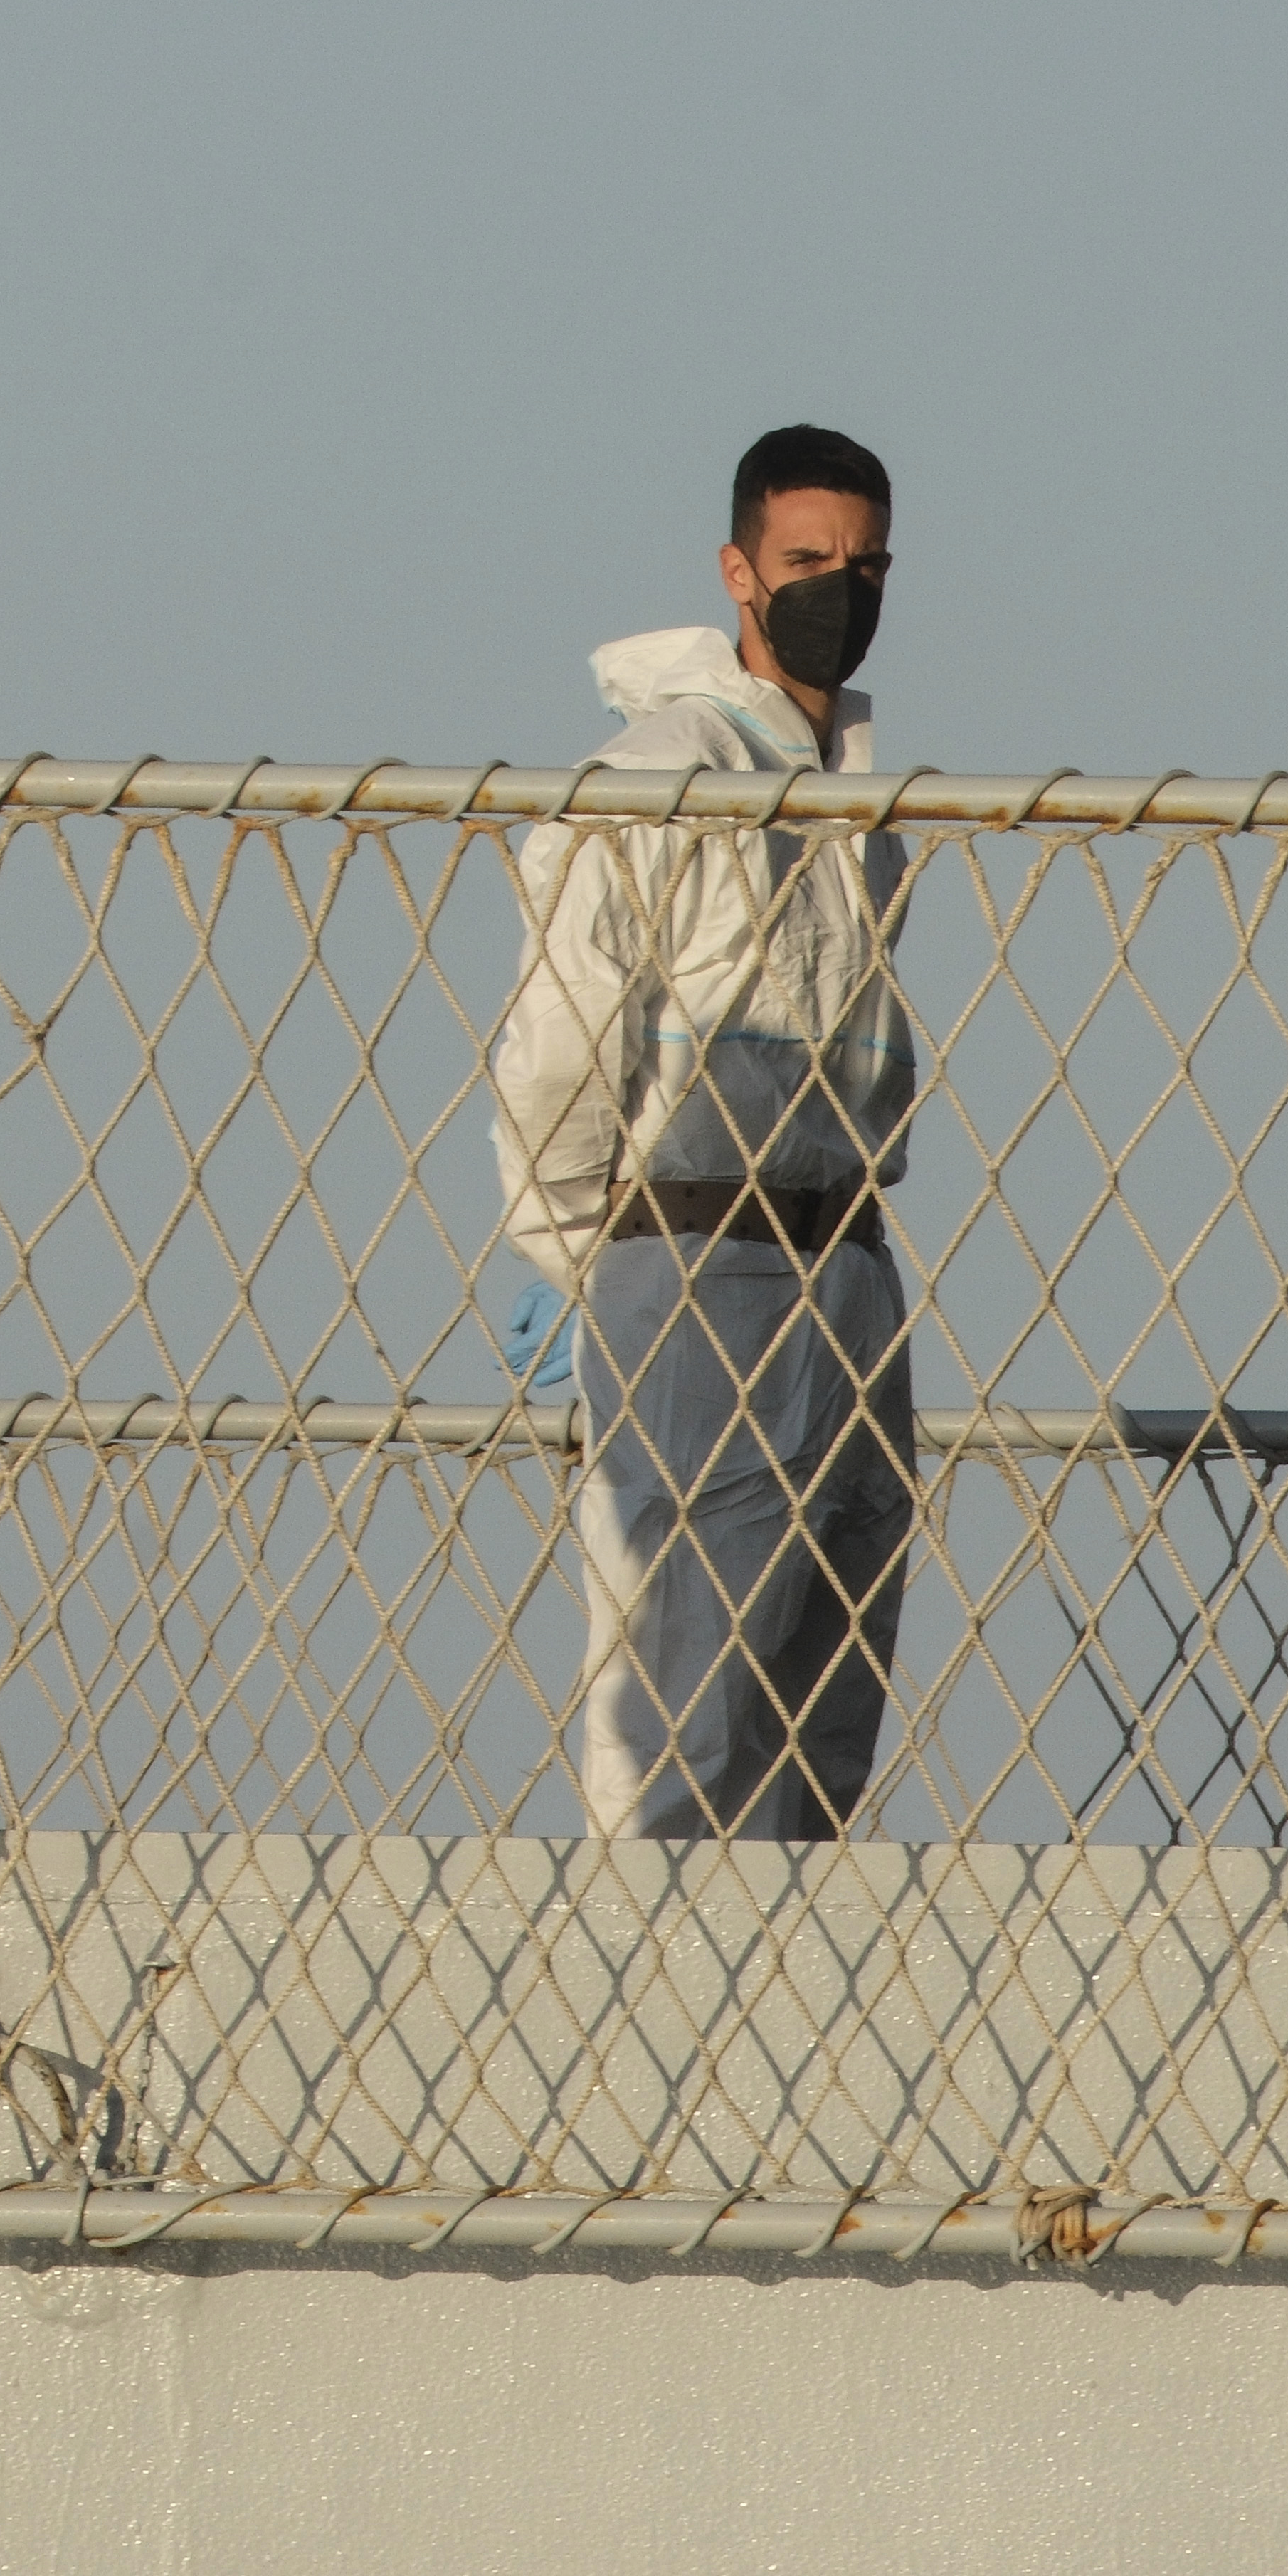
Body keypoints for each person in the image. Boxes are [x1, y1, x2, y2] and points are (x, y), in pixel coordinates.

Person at [490, 423, 921, 1840]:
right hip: (692, 1243)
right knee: (690, 1687)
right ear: (739, 570)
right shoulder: (661, 769)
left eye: (864, 564)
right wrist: (586, 1266)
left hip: (845, 1251)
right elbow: (562, 1040)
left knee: (830, 1673)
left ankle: (794, 2013)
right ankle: (666, 2013)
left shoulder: (860, 791)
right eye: (807, 561)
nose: (836, 589)